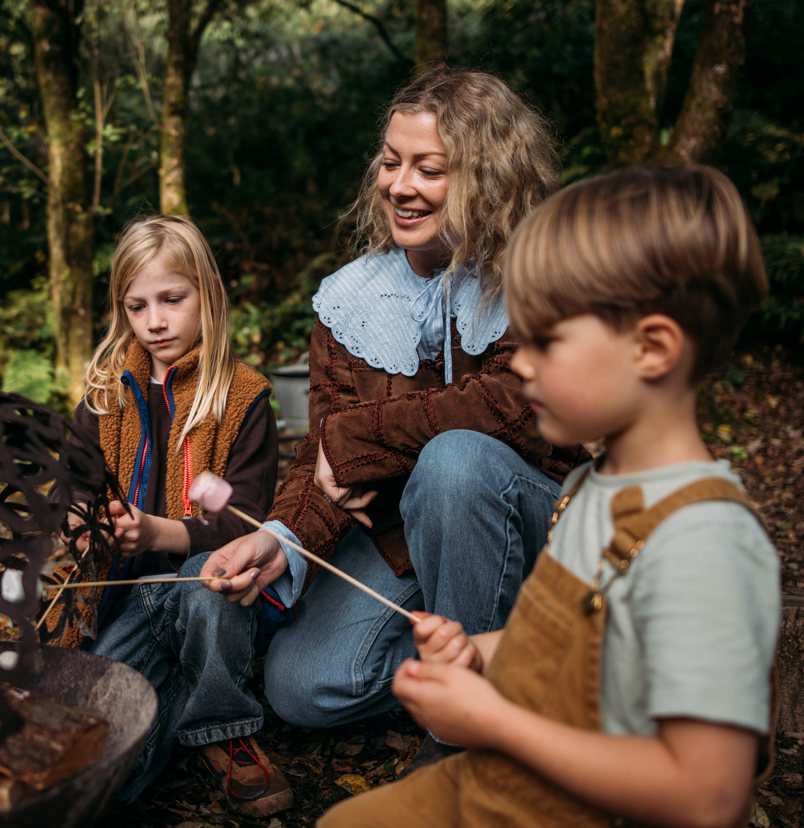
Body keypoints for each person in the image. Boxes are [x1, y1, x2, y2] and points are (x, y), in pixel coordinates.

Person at [317, 163, 781, 827]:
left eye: (546, 341)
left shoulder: (703, 543)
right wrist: (477, 651)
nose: (521, 364)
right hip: (509, 781)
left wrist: (494, 722)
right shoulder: (595, 486)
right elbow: (566, 641)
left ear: (652, 349)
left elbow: (706, 796)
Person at [201, 66, 587, 740]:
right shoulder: (350, 299)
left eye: (429, 169)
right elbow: (324, 459)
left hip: (537, 528)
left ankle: (467, 736)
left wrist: (359, 443)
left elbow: (517, 406)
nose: (400, 187)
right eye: (390, 162)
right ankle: (519, 661)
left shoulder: (542, 272)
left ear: (487, 178)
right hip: (405, 535)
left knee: (457, 461)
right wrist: (280, 539)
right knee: (303, 687)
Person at [42, 215, 293, 817]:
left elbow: (250, 520)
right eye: (137, 306)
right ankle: (181, 700)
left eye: (172, 300)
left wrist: (159, 531)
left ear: (207, 294)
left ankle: (224, 725)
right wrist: (82, 525)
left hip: (207, 591)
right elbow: (74, 490)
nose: (155, 321)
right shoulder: (106, 395)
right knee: (103, 757)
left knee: (208, 581)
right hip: (126, 597)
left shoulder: (241, 397)